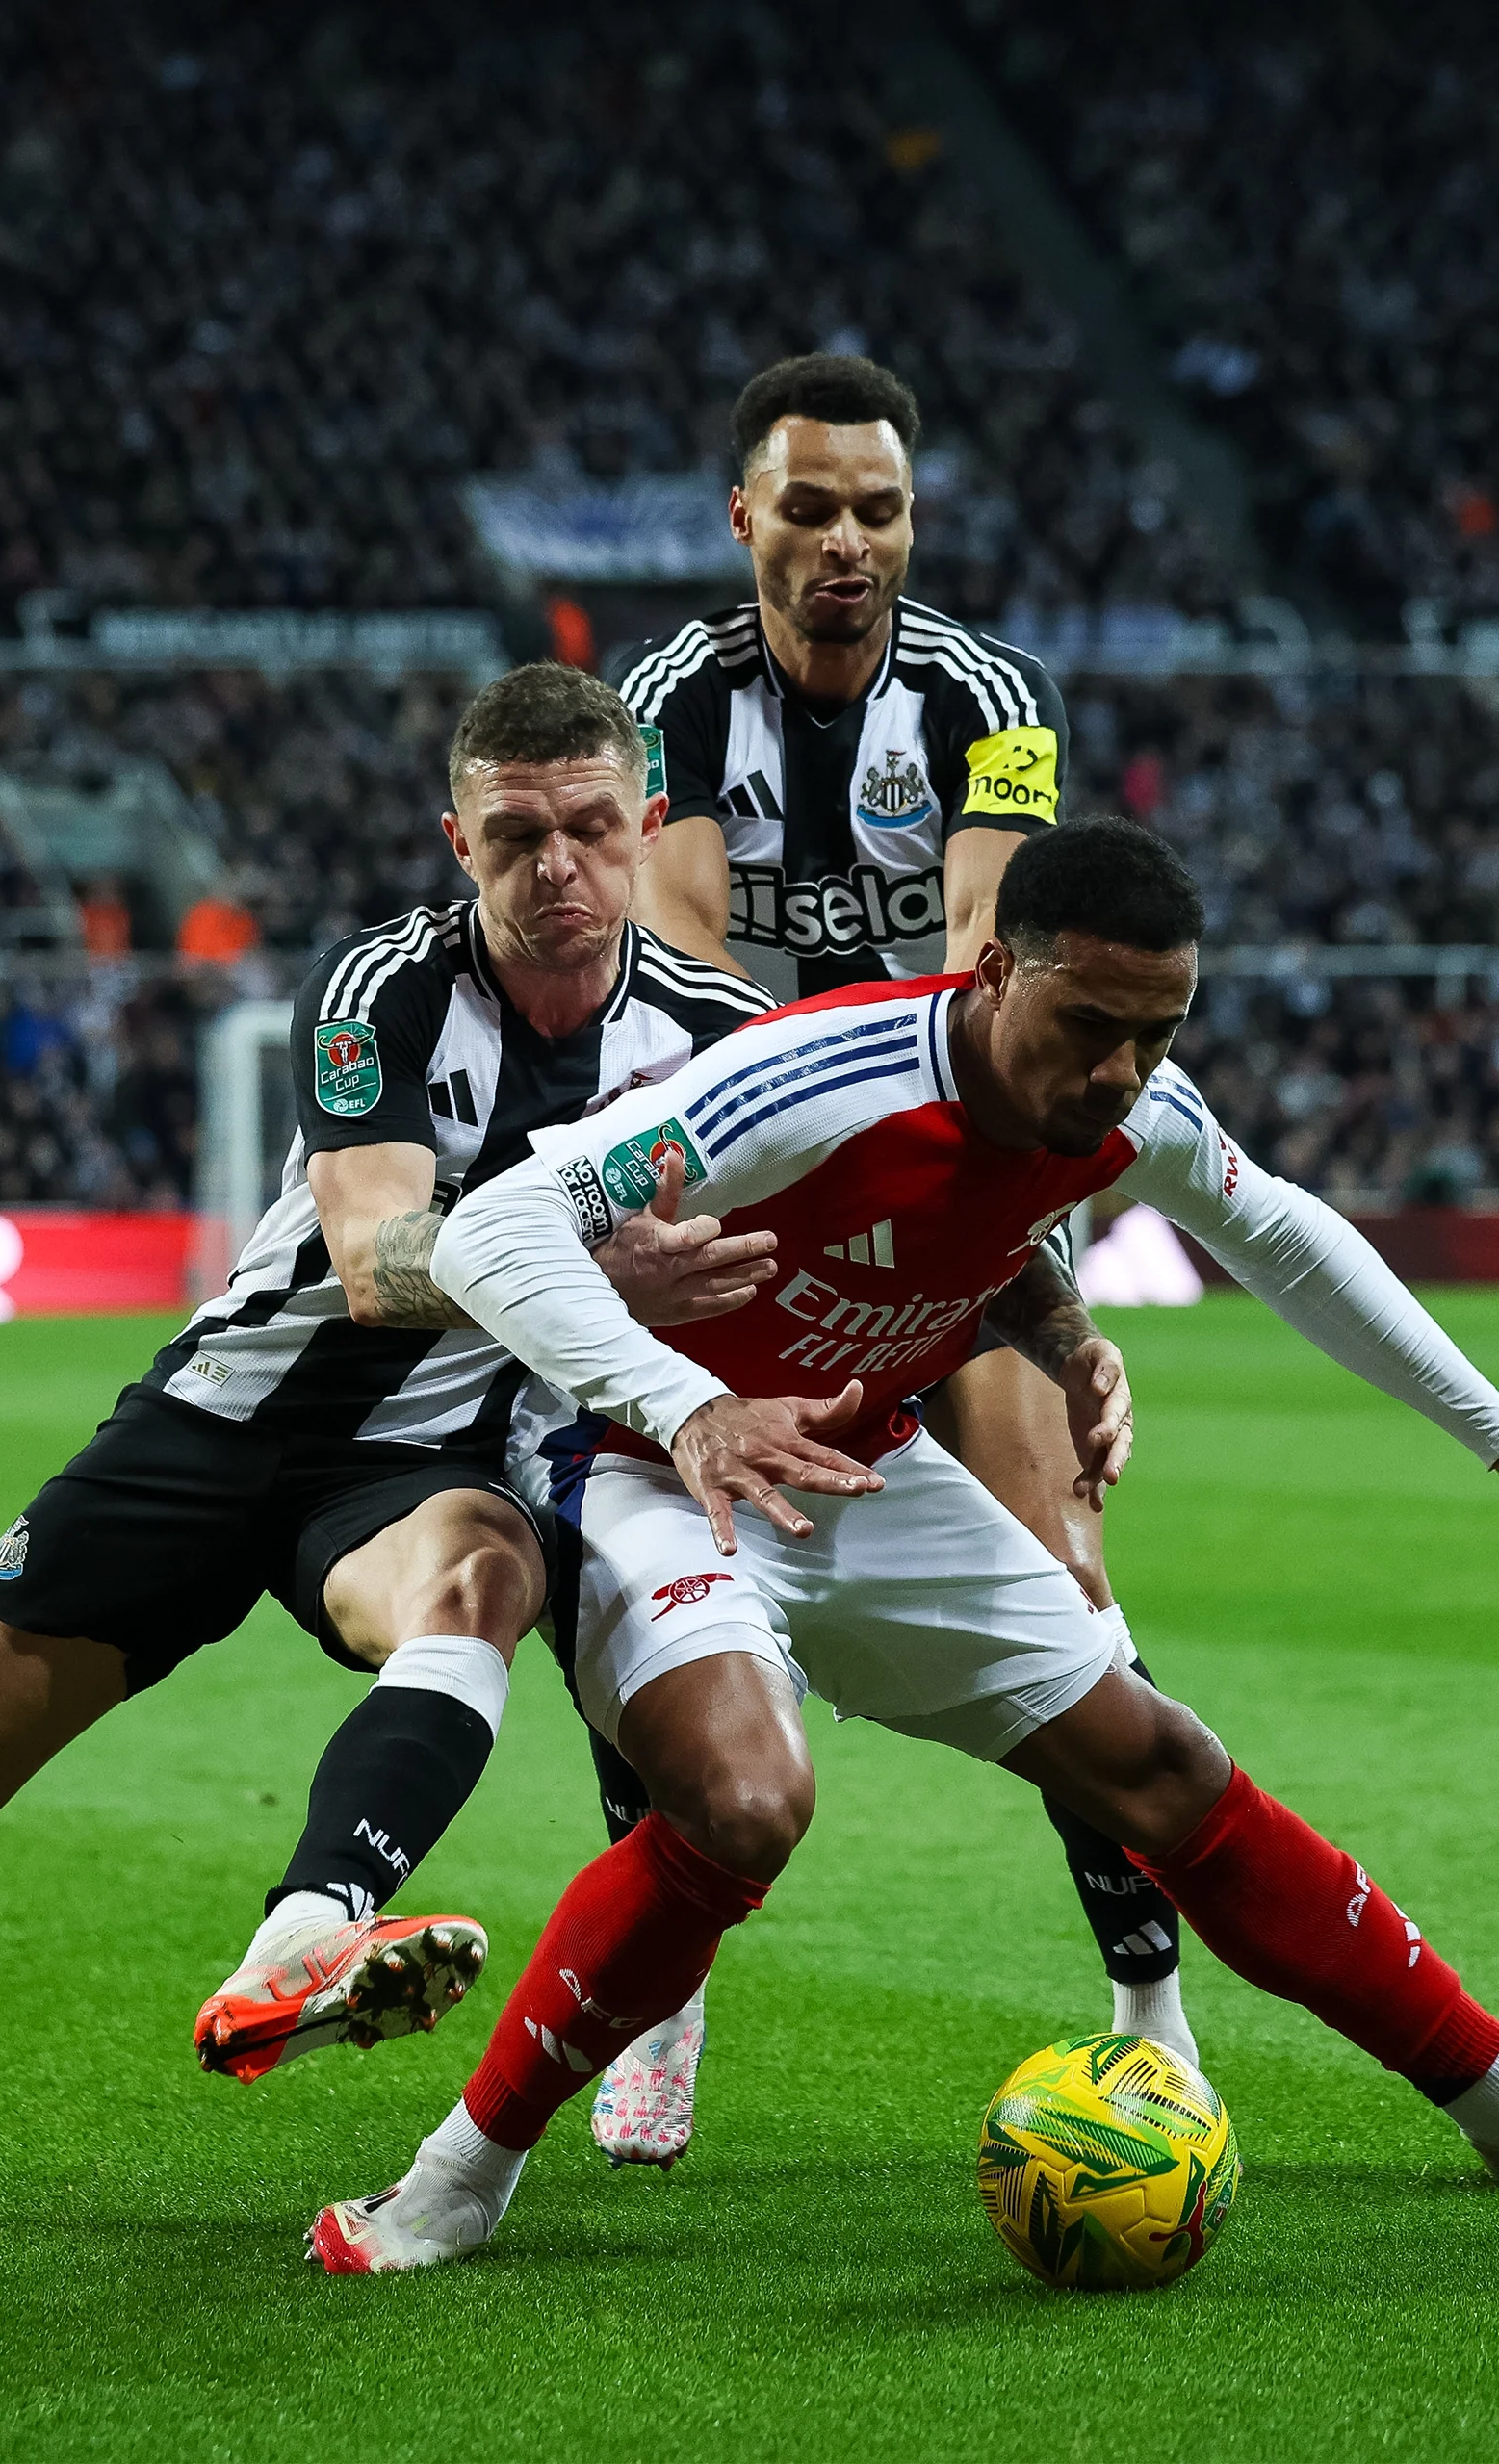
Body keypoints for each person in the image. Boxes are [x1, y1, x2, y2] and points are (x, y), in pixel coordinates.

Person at [0, 665, 776, 2240]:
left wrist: (1040, 1343)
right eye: (516, 836)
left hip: (424, 1459)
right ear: (458, 841)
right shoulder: (384, 988)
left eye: (593, 829)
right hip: (223, 1419)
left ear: (649, 825)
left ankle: (304, 1937)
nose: (558, 866)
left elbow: (868, 1210)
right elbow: (374, 1262)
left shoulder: (724, 1037)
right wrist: (602, 1273)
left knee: (482, 1580)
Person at [308, 816, 1499, 2272]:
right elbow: (493, 1234)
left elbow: (1291, 1239)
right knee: (748, 1801)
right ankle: (457, 2179)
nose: (1121, 1071)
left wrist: (1492, 1431)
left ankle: (1489, 2089)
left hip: (866, 1466)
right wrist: (691, 1409)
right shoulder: (821, 1076)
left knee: (1165, 1769)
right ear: (997, 973)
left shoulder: (1139, 1109)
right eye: (1090, 1025)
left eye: (1157, 1033)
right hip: (643, 1466)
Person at [592, 349, 1188, 2163]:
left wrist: (968, 1199)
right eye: (812, 507)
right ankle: (661, 1990)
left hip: (953, 1168)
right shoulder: (671, 698)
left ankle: (1149, 2006)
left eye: (882, 510)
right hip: (745, 1178)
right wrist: (802, 1130)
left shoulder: (991, 700)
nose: (848, 541)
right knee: (661, 1568)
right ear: (744, 518)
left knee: (1067, 1578)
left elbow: (991, 953)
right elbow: (681, 946)